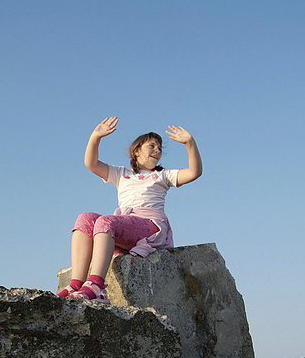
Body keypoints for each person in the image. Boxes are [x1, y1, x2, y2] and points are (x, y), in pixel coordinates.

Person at [57, 116, 202, 303]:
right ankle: (76, 284)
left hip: (150, 226)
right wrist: (95, 137)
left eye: (159, 148)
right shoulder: (122, 174)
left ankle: (96, 286)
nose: (157, 150)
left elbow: (194, 172)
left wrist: (190, 143)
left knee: (106, 221)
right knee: (84, 218)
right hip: (125, 223)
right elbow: (91, 164)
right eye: (152, 146)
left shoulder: (163, 175)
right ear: (137, 150)